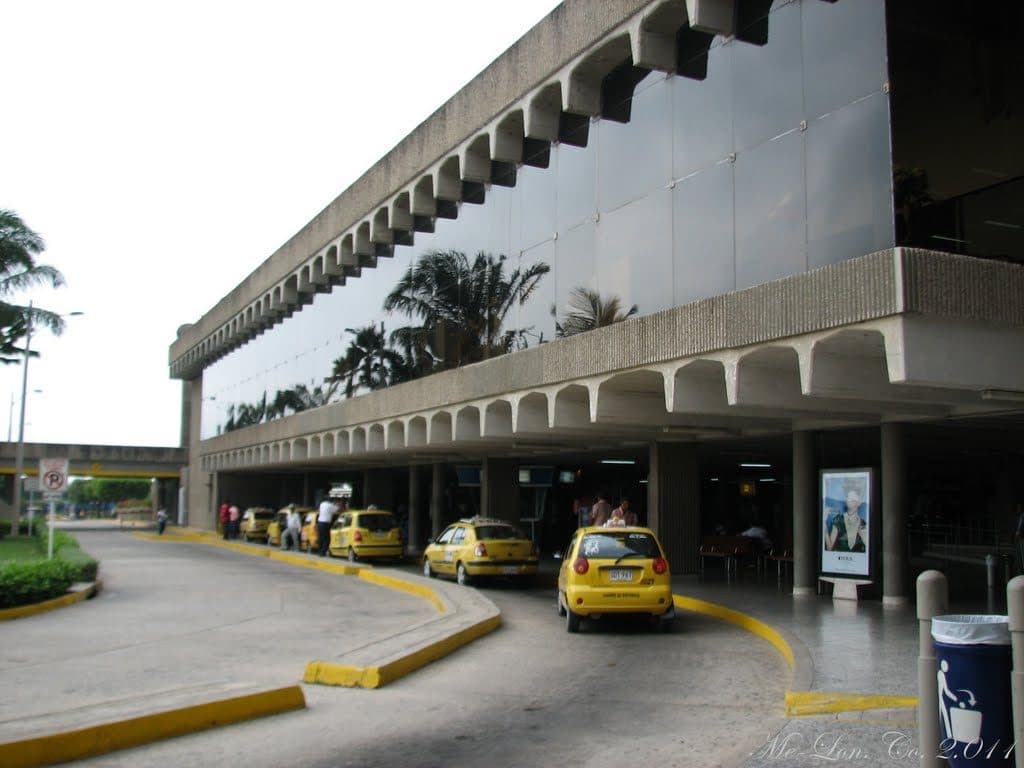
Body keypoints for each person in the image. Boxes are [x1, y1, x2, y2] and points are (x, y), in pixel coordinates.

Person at [825, 487, 866, 552]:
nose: (849, 499)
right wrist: (824, 521)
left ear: (859, 502)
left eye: (853, 497)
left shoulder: (864, 524)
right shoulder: (838, 520)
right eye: (848, 497)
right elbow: (829, 548)